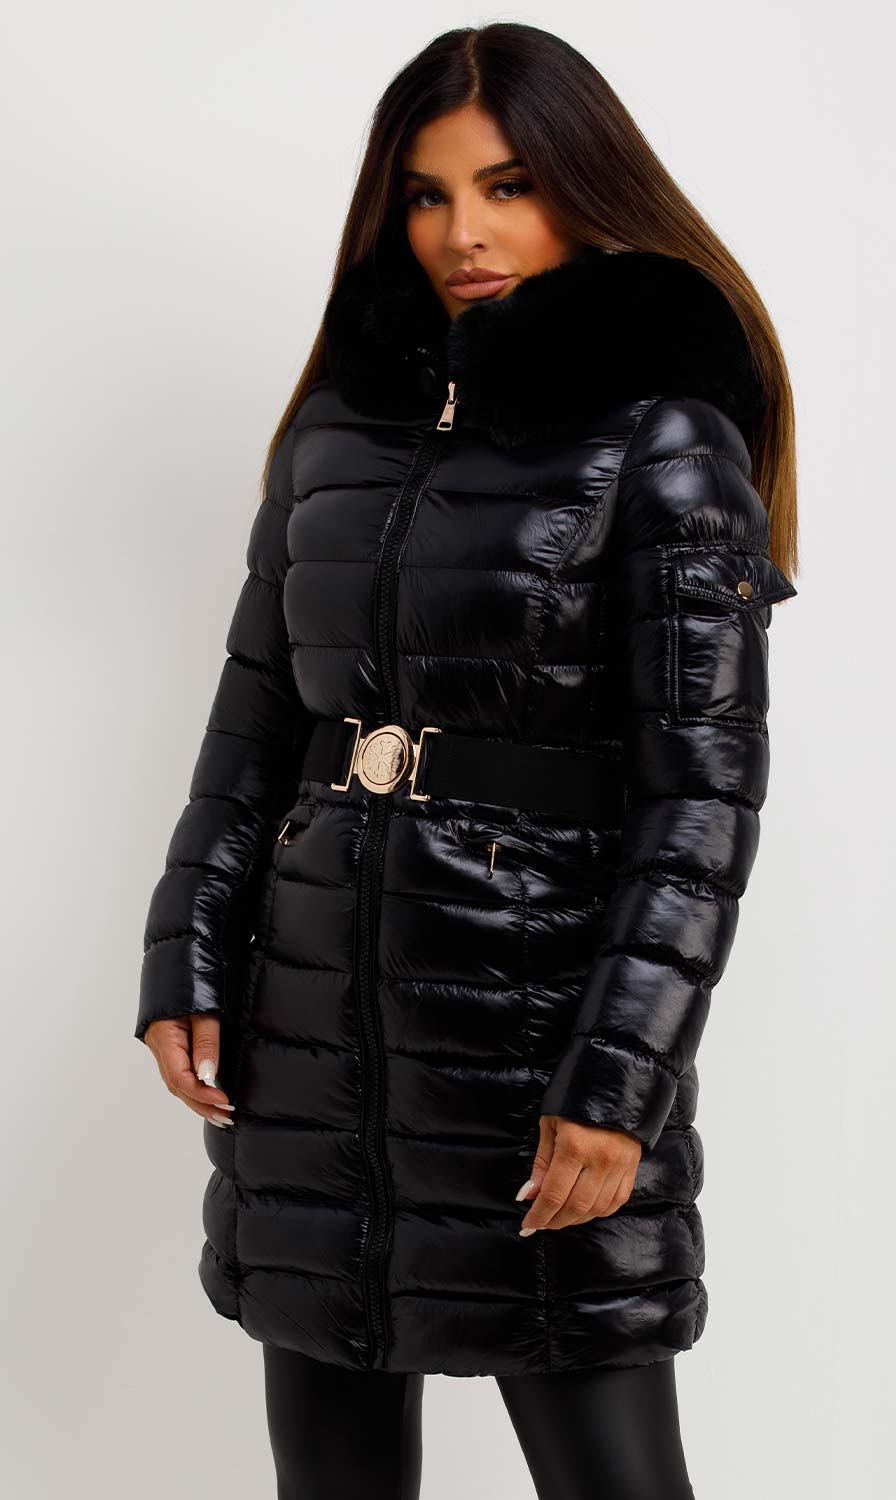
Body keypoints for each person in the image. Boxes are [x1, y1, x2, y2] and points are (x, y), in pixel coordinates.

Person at [135, 21, 798, 1500]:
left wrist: (616, 1081)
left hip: (536, 1037)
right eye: (427, 195)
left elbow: (700, 800)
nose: (464, 233)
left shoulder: (664, 442)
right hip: (313, 1039)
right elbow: (253, 726)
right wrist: (186, 951)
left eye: (507, 186)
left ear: (584, 186)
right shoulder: (334, 431)